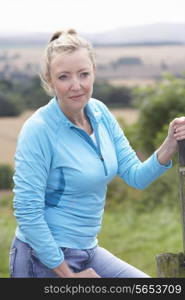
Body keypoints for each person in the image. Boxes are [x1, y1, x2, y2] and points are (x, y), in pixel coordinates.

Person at [9, 28, 185, 278]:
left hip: (88, 250)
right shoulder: (39, 130)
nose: (76, 86)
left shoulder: (101, 114)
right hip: (43, 258)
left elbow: (136, 176)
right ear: (49, 81)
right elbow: (27, 211)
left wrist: (170, 143)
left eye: (84, 74)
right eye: (64, 77)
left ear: (94, 73)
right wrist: (69, 276)